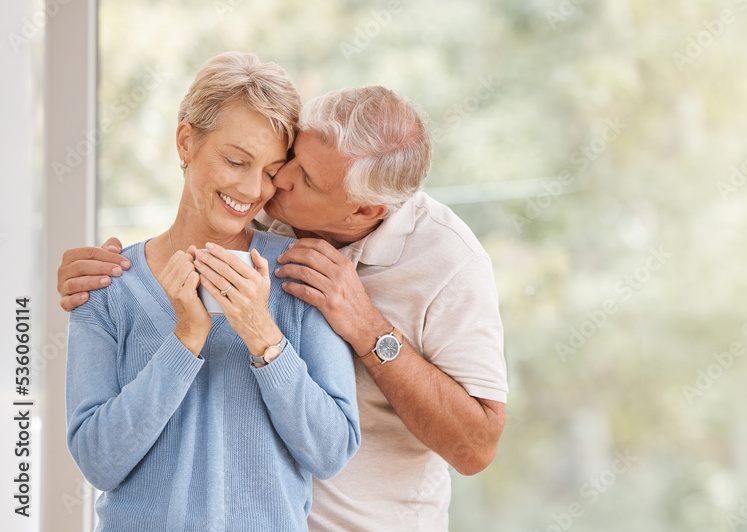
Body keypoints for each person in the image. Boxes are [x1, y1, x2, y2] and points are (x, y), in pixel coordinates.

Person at [59, 86, 507, 531]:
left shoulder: (450, 261)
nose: (275, 183)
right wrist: (101, 276)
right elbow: (211, 194)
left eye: (303, 178)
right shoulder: (268, 211)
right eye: (289, 158)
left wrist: (368, 328)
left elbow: (475, 448)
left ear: (363, 210)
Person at [64, 52, 360, 531]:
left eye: (270, 170)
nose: (251, 189)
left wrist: (263, 335)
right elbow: (99, 462)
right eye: (236, 160)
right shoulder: (108, 289)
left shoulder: (299, 275)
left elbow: (331, 452)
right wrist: (184, 341)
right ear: (186, 142)